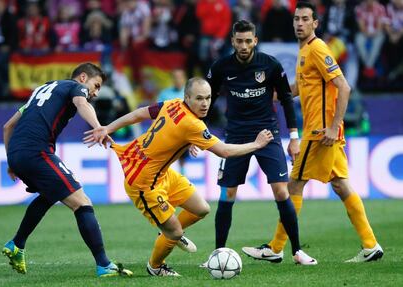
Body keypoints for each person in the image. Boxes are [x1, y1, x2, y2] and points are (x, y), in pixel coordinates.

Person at [83, 77, 274, 276]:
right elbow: (224, 150)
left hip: (161, 174)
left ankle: (165, 233)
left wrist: (108, 127)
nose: (205, 103)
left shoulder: (173, 105)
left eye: (208, 98)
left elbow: (140, 114)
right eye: (199, 98)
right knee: (175, 231)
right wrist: (257, 144)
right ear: (187, 98)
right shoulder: (193, 125)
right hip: (143, 182)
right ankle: (155, 267)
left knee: (201, 208)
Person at [245, 1, 383, 263]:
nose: (299, 23)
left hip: (320, 132)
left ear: (315, 23)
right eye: (296, 19)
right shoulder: (305, 50)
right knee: (341, 185)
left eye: (305, 19)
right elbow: (301, 85)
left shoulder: (318, 48)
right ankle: (371, 245)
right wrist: (273, 96)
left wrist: (332, 127)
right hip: (325, 131)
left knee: (295, 183)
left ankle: (275, 248)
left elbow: (344, 87)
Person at [2, 63, 132, 277]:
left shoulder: (42, 90)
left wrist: (11, 161)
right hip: (37, 152)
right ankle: (104, 265)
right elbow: (82, 103)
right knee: (82, 203)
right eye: (96, 85)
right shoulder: (75, 87)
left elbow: (8, 126)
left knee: (50, 194)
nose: (96, 93)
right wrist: (99, 126)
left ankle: (17, 244)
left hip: (17, 153)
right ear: (82, 77)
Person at [205, 19, 317, 265]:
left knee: (281, 190)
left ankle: (297, 251)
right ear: (232, 41)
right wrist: (196, 132)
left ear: (255, 41)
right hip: (235, 136)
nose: (243, 46)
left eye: (248, 41)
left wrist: (294, 137)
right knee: (228, 194)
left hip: (268, 134)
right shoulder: (221, 66)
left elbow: (287, 99)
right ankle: (218, 254)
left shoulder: (270, 65)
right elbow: (207, 100)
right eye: (239, 41)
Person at [157, 68, 189, 174]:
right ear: (172, 79)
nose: (178, 80)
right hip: (167, 131)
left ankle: (183, 175)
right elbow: (156, 113)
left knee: (182, 158)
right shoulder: (164, 94)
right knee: (164, 159)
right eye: (175, 77)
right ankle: (163, 177)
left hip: (184, 132)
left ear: (184, 79)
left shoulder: (189, 93)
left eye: (180, 77)